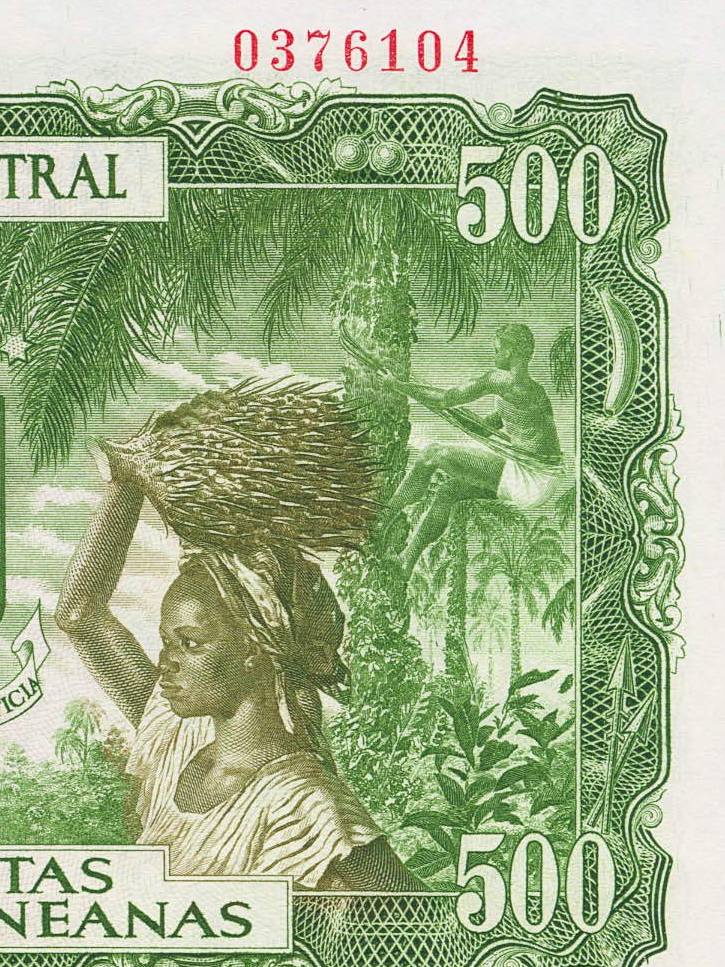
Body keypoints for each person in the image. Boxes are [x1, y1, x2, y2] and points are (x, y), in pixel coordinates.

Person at [56, 450, 418, 890]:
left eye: (190, 644)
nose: (165, 662)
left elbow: (420, 914)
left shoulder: (305, 802)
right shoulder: (176, 736)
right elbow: (78, 614)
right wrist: (127, 482)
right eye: (167, 642)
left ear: (255, 651)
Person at [397, 321, 565, 574]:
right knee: (449, 491)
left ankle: (381, 517)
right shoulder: (534, 391)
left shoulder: (500, 380)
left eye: (497, 349)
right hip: (543, 479)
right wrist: (463, 421)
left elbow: (447, 399)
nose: (494, 354)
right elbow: (490, 426)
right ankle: (407, 560)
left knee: (432, 455)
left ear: (510, 352)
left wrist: (399, 386)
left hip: (529, 476)